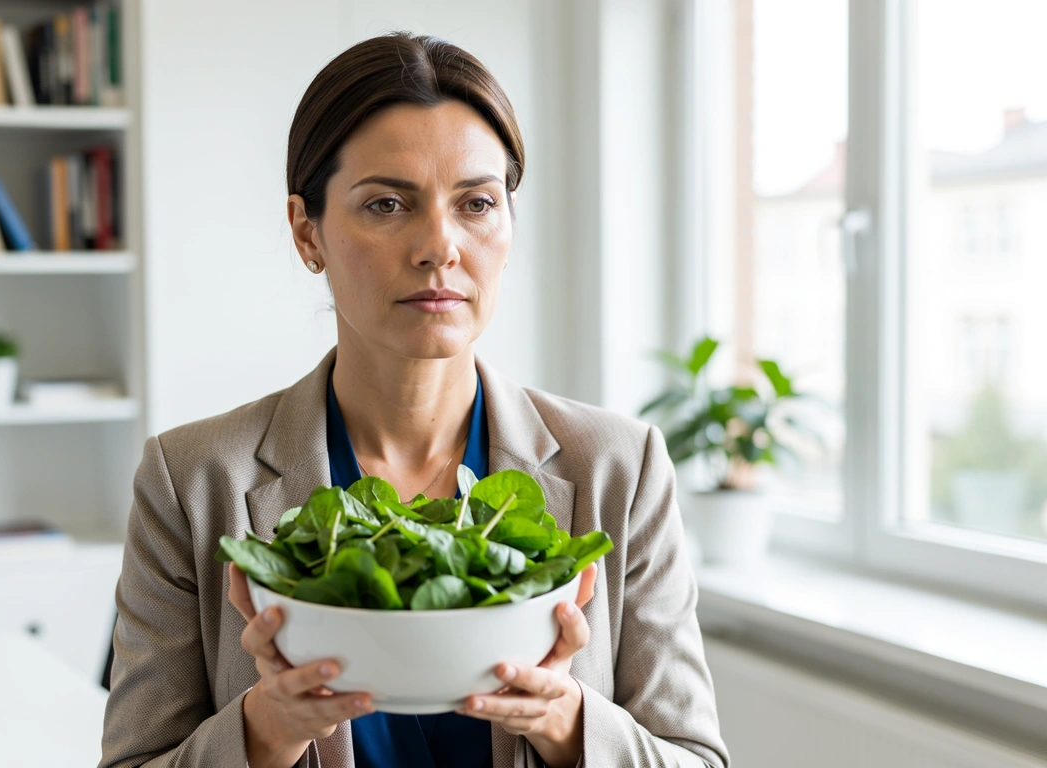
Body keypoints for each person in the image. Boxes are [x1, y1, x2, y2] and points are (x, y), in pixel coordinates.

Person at [99, 31, 730, 768]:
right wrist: (263, 731)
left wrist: (568, 723)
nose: (440, 245)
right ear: (308, 233)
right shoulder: (191, 481)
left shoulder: (620, 470)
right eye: (389, 204)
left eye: (476, 204)